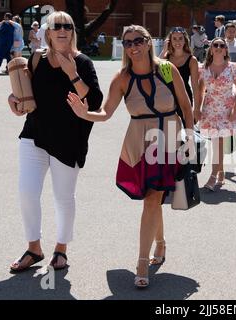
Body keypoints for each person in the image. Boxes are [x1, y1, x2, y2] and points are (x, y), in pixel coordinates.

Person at [67, 25, 194, 288]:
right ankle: (159, 242)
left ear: (149, 43)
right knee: (152, 197)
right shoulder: (122, 78)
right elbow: (105, 113)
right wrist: (84, 114)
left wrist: (191, 137)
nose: (133, 46)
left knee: (152, 198)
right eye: (127, 42)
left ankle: (141, 261)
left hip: (169, 137)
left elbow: (185, 104)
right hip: (140, 142)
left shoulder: (168, 70)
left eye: (138, 41)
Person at [7, 11, 103, 272]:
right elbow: (23, 89)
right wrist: (13, 100)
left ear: (73, 32)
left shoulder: (82, 62)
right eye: (56, 26)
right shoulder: (37, 58)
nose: (62, 30)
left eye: (67, 26)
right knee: (27, 192)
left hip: (68, 139)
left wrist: (72, 74)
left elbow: (94, 101)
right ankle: (33, 248)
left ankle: (61, 249)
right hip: (34, 134)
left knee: (63, 197)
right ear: (47, 33)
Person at [195, 37, 236, 190]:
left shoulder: (234, 67)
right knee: (216, 144)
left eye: (221, 45)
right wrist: (197, 108)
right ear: (210, 49)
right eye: (215, 45)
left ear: (225, 49)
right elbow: (201, 91)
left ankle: (212, 176)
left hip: (226, 110)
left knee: (219, 143)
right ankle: (221, 172)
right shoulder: (203, 68)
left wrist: (235, 110)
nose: (218, 47)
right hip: (209, 109)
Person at [160, 26, 199, 115]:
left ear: (185, 40)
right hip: (168, 97)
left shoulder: (192, 60)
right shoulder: (166, 57)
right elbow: (154, 70)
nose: (177, 42)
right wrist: (164, 50)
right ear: (170, 41)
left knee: (187, 127)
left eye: (180, 38)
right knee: (171, 127)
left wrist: (196, 109)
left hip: (185, 97)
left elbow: (195, 86)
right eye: (174, 39)